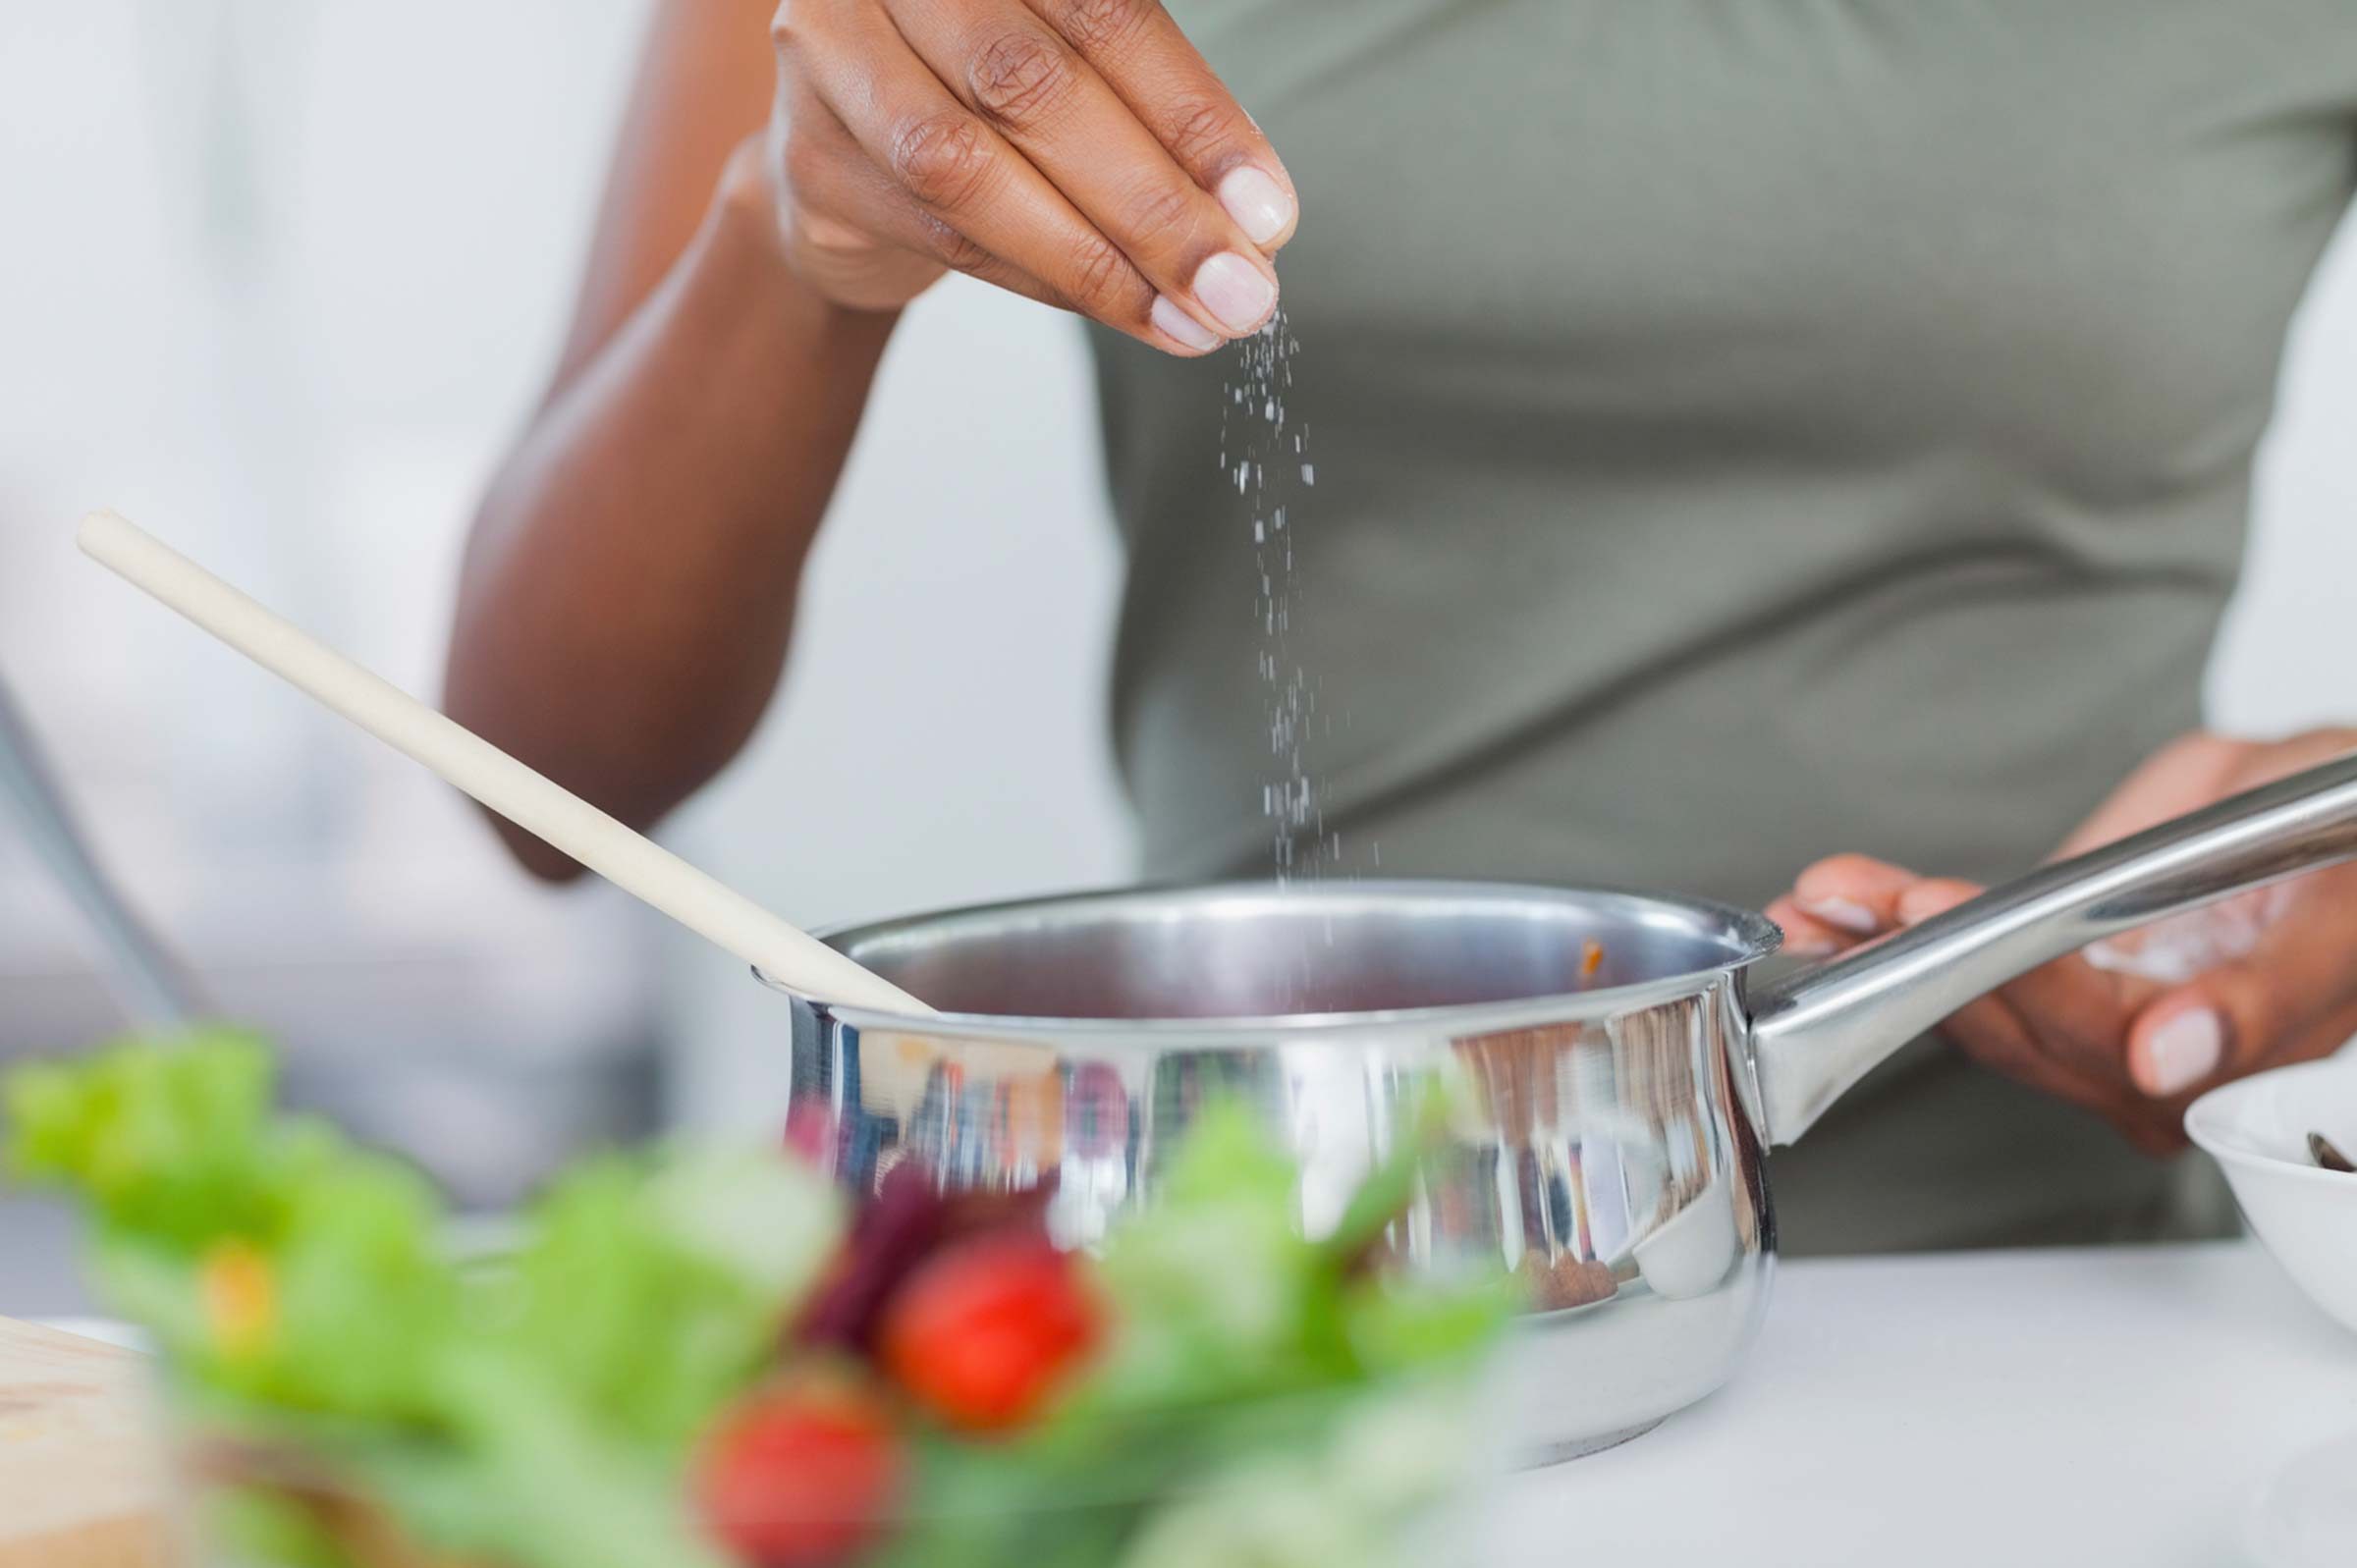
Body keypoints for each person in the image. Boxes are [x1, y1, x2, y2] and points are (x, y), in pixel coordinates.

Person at [445, 0, 2357, 1253]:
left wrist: (2324, 832)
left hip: (2071, 1348)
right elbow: (539, 777)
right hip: (1244, 1324)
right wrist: (798, 240)